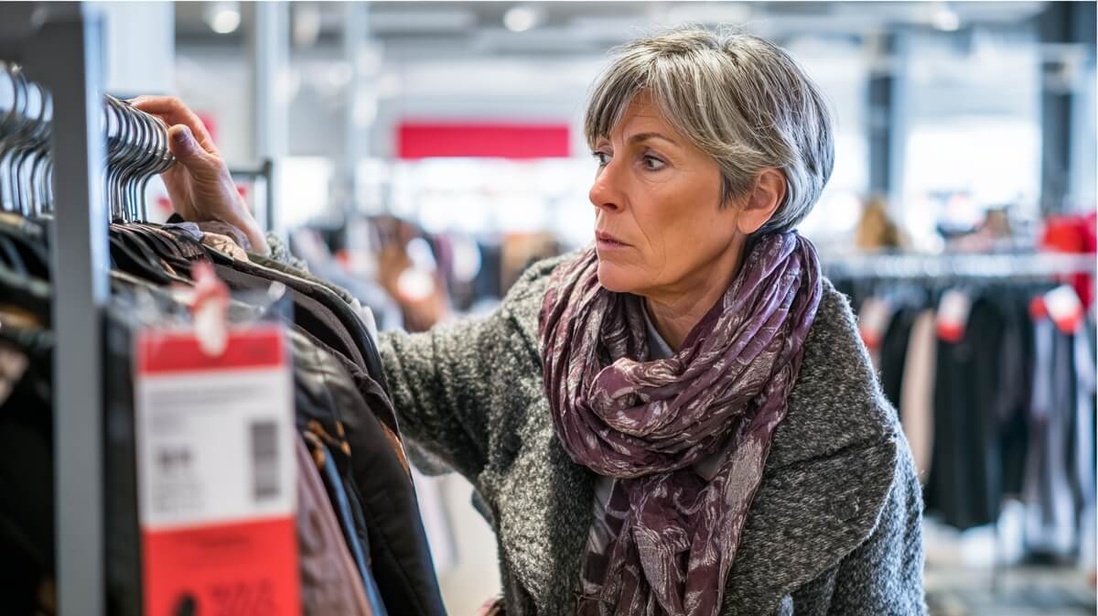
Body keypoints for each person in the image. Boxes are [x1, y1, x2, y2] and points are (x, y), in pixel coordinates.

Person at [136, 26, 926, 616]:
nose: (602, 189)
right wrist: (244, 244)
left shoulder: (850, 449)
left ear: (757, 196)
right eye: (602, 155)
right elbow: (378, 374)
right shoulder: (547, 332)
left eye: (649, 159)